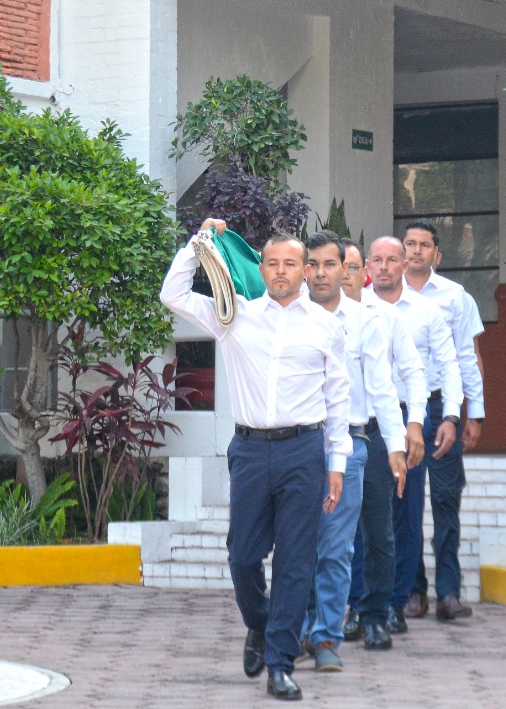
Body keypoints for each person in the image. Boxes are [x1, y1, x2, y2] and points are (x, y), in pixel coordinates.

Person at [160, 220, 350, 701]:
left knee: (295, 563)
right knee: (242, 556)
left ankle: (280, 665)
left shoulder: (327, 325)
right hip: (248, 449)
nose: (281, 271)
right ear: (261, 269)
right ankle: (260, 625)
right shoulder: (233, 315)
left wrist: (338, 463)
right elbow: (172, 294)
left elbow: (338, 398)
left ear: (305, 271)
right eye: (273, 263)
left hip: (304, 451)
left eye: (291, 263)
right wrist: (199, 242)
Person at [299, 232, 407, 672]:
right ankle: (299, 628)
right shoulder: (290, 317)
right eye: (314, 265)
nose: (321, 273)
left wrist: (396, 445)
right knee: (299, 546)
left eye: (331, 264)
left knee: (337, 548)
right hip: (299, 445)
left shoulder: (366, 321)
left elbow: (382, 386)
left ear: (346, 270)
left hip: (351, 444)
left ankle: (326, 636)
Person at [363, 236, 463, 634]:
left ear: (404, 265)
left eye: (392, 260)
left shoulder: (426, 311)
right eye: (377, 260)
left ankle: (396, 602)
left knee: (405, 513)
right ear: (367, 266)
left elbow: (448, 365)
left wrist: (449, 415)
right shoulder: (355, 308)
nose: (384, 267)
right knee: (368, 516)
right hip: (367, 422)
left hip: (411, 420)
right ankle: (364, 602)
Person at [339, 238, 426, 651]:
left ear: (365, 274)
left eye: (352, 267)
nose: (344, 274)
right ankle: (347, 609)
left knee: (378, 530)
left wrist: (411, 427)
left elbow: (409, 374)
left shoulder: (385, 317)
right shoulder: (312, 316)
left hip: (373, 434)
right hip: (327, 434)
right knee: (338, 532)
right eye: (336, 265)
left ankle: (375, 614)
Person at [402, 221, 487, 621]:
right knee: (403, 501)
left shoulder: (455, 297)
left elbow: (469, 357)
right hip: (400, 410)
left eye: (424, 245)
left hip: (441, 409)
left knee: (445, 498)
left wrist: (474, 413)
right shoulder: (381, 296)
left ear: (437, 254)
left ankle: (449, 593)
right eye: (410, 243)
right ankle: (412, 590)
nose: (416, 250)